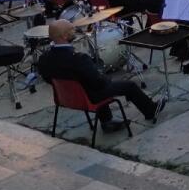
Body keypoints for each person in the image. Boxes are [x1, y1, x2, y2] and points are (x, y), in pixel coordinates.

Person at [37, 19, 165, 132]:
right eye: (72, 29)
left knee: (92, 83)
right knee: (128, 85)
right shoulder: (79, 59)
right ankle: (151, 110)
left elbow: (48, 79)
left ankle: (106, 122)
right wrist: (105, 78)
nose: (75, 30)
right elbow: (98, 83)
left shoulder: (43, 59)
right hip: (89, 98)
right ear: (64, 36)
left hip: (66, 98)